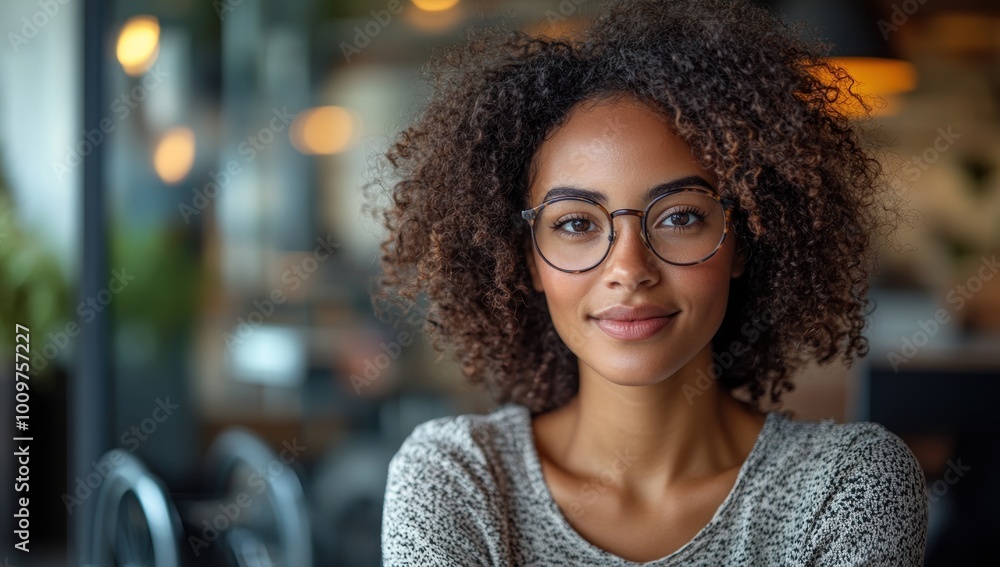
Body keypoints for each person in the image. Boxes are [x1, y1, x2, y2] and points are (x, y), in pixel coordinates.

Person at [370, 0, 927, 564]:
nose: (629, 269)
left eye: (680, 216)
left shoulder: (846, 487)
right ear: (528, 260)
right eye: (576, 224)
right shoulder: (458, 479)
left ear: (746, 237)